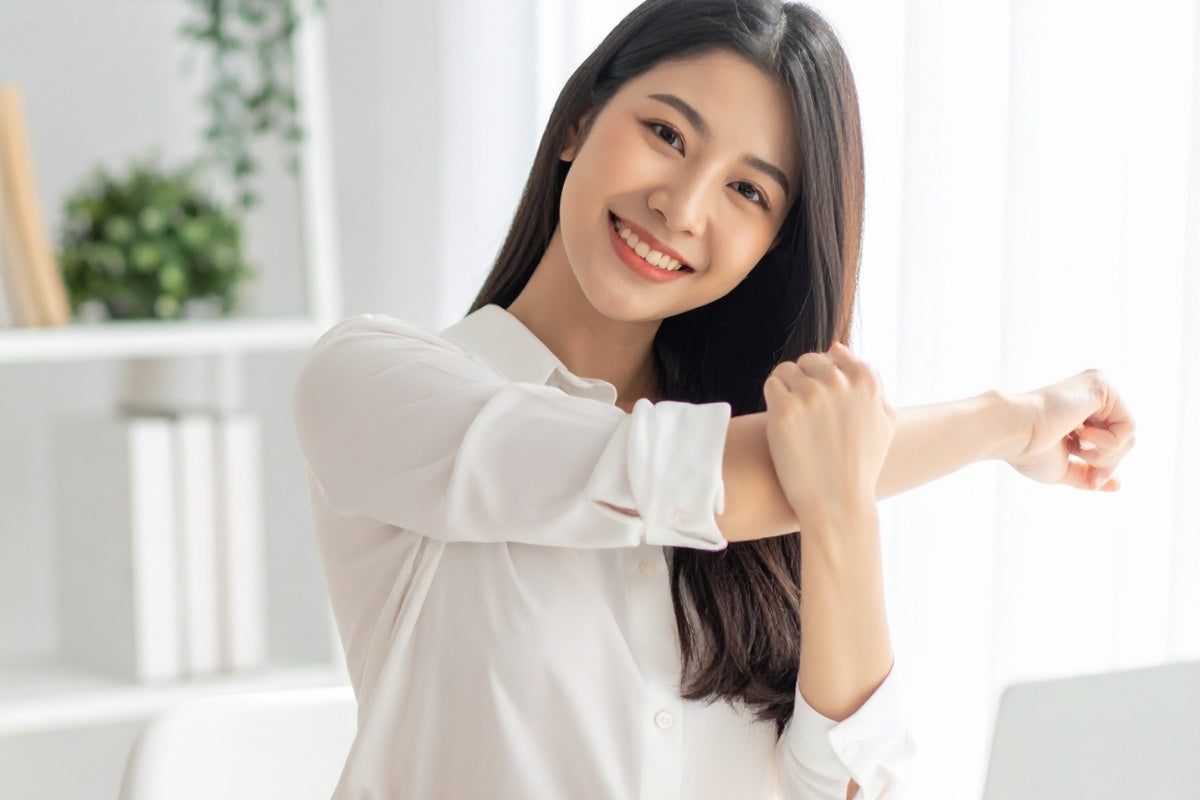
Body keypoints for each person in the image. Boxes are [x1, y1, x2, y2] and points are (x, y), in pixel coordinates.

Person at [291, 1, 1136, 798]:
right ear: (580, 119)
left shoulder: (788, 481)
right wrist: (1008, 423)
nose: (681, 207)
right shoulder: (373, 381)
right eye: (666, 133)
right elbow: (674, 475)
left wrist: (842, 515)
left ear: (773, 245)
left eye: (749, 191)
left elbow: (837, 783)